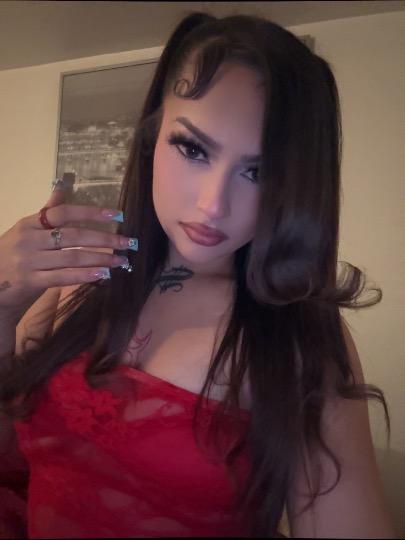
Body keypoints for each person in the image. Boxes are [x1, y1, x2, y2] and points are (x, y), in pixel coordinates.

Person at [0, 10, 396, 539]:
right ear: (152, 137)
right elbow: (12, 451)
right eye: (192, 148)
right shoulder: (79, 277)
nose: (213, 205)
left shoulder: (298, 338)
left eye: (257, 171)